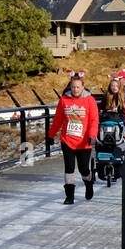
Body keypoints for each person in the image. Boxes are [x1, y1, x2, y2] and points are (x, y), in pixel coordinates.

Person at [47, 70, 100, 203]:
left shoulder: (89, 100)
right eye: (73, 87)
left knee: (83, 168)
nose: (75, 89)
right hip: (67, 140)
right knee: (69, 168)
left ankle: (88, 183)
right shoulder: (64, 100)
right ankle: (69, 196)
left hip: (84, 141)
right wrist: (51, 135)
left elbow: (94, 120)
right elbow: (58, 119)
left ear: (83, 87)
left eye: (77, 87)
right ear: (69, 87)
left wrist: (92, 135)